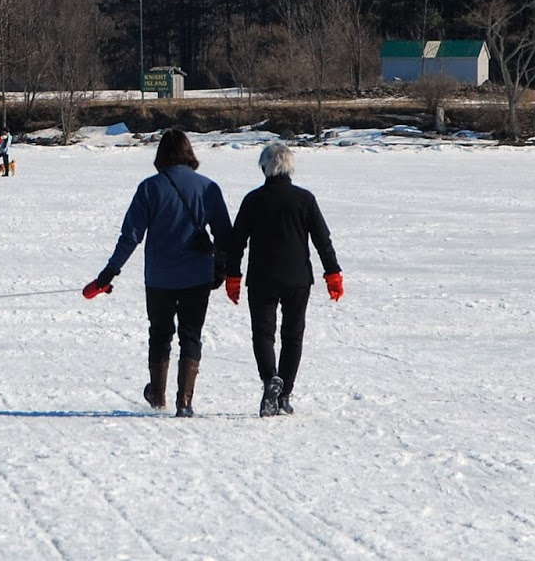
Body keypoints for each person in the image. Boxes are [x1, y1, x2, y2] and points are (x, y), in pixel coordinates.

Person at [83, 128, 232, 417]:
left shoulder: (149, 188)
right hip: (197, 276)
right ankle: (185, 402)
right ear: (189, 153)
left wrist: (109, 273)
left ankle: (158, 397)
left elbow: (131, 236)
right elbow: (225, 234)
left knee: (160, 334)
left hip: (159, 277)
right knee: (191, 335)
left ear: (161, 155)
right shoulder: (208, 187)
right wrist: (222, 269)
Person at [222, 142, 343, 417]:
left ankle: (270, 380)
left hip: (262, 278)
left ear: (265, 167)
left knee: (263, 334)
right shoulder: (305, 199)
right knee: (292, 335)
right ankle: (284, 393)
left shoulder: (253, 200)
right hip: (298, 278)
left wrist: (233, 276)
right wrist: (332, 273)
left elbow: (236, 242)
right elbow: (322, 240)